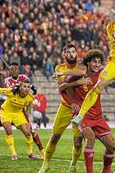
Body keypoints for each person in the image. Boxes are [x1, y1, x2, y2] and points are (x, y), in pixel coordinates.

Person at [58, 49, 115, 173]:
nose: (97, 65)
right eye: (94, 62)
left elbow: (113, 72)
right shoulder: (78, 75)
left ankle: (106, 170)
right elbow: (62, 88)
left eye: (99, 62)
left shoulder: (101, 74)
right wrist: (72, 102)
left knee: (111, 146)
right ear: (88, 62)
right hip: (82, 115)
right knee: (90, 137)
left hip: (98, 116)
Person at [38, 44, 84, 173]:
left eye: (73, 51)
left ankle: (73, 164)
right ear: (64, 55)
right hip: (65, 107)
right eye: (68, 52)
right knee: (54, 137)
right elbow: (62, 89)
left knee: (78, 142)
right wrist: (72, 103)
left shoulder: (81, 67)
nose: (71, 54)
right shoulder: (60, 68)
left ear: (77, 53)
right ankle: (45, 164)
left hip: (79, 109)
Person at [0, 79, 39, 160]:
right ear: (20, 87)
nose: (26, 88)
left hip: (18, 114)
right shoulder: (12, 92)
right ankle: (14, 154)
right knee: (8, 129)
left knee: (28, 132)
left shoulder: (30, 97)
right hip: (6, 112)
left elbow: (28, 105)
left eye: (28, 87)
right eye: (24, 86)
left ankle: (30, 153)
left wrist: (26, 113)